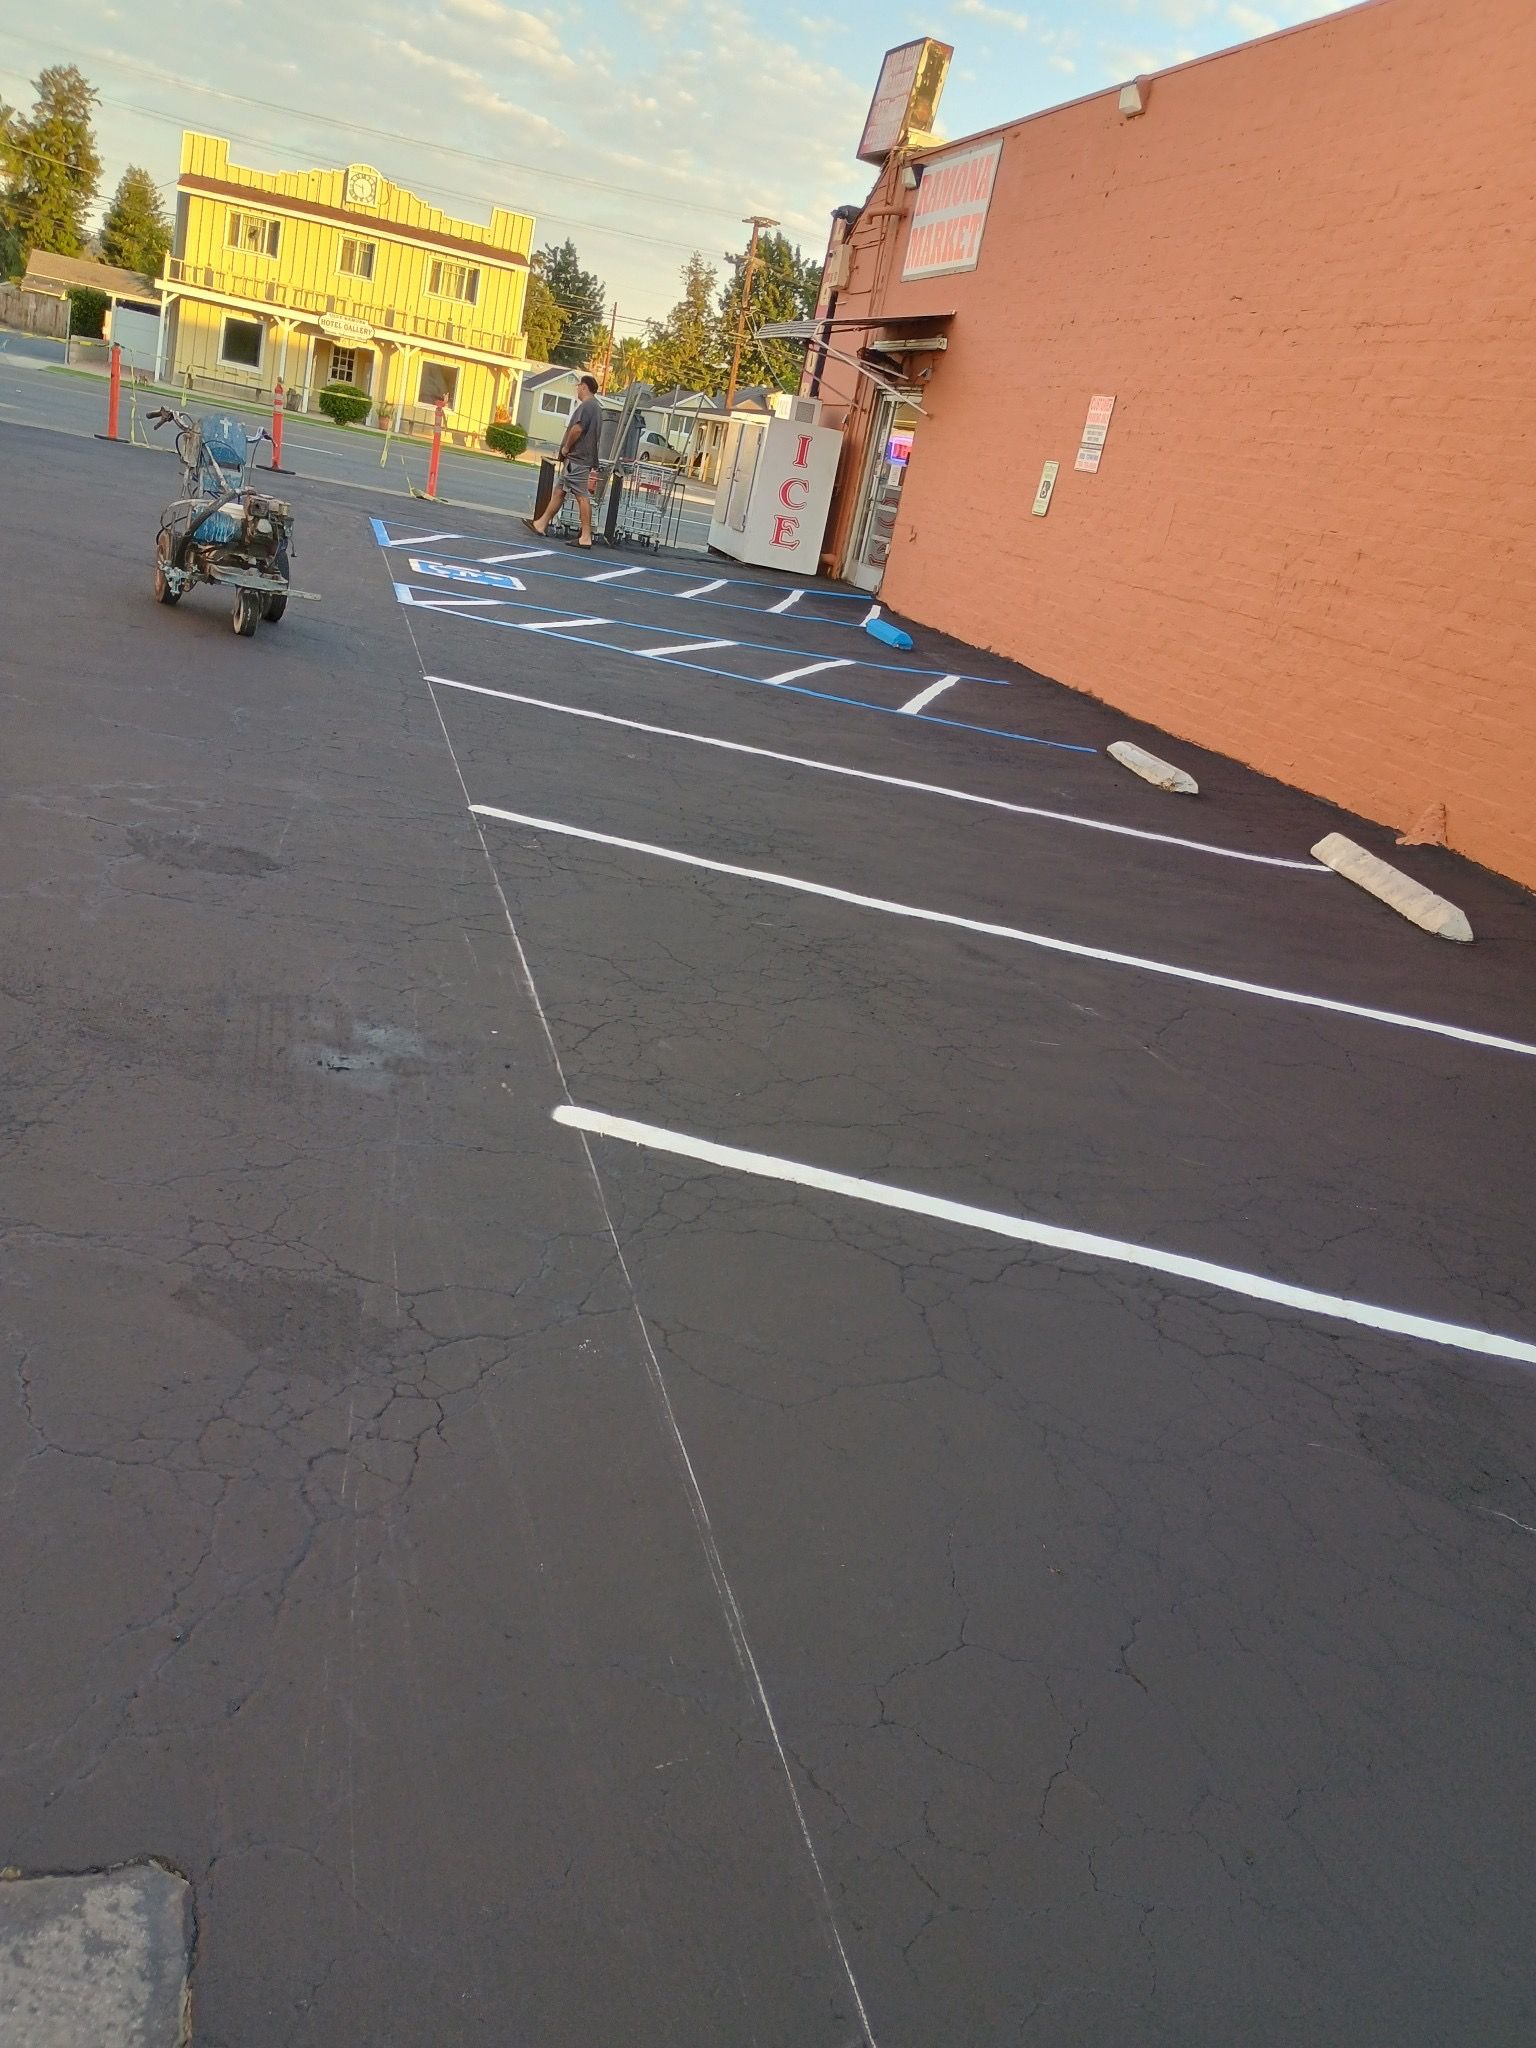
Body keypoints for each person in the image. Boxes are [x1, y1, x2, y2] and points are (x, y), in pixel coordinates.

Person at [525, 374, 604, 548]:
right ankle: (541, 523)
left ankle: (585, 536)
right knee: (559, 491)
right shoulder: (596, 408)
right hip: (579, 460)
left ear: (584, 387)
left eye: (578, 386)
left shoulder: (587, 406)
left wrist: (566, 447)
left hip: (577, 459)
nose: (577, 389)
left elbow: (577, 428)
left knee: (581, 496)